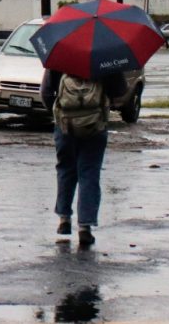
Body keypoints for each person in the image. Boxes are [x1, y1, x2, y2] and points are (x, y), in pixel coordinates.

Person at [41, 69, 121, 248]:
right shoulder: (105, 57)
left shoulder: (60, 55)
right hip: (95, 125)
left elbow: (46, 92)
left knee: (65, 169)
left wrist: (58, 113)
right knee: (89, 172)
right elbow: (119, 90)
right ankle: (85, 227)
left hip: (65, 125)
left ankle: (64, 219)